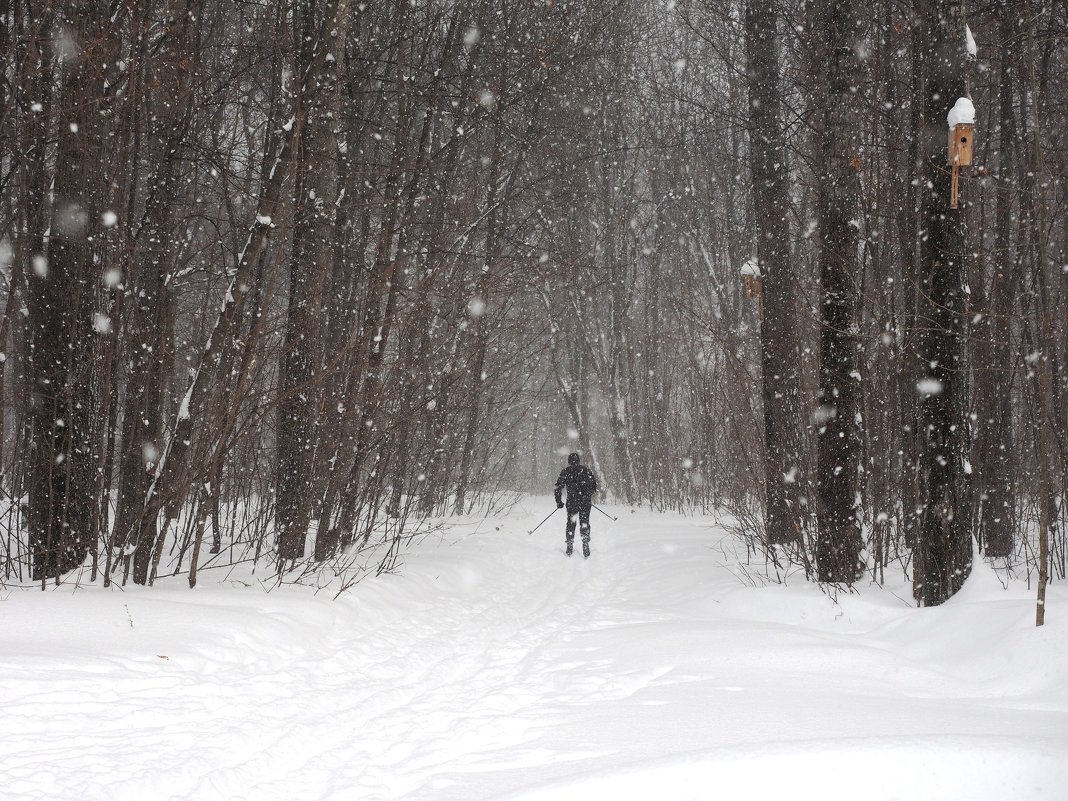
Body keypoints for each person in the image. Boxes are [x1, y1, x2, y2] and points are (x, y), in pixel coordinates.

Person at [554, 452, 597, 558]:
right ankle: (585, 542)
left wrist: (559, 501)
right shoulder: (586, 470)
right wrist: (587, 495)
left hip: (572, 502)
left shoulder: (566, 472)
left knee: (571, 523)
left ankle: (569, 544)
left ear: (569, 461)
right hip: (585, 503)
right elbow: (594, 487)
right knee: (584, 522)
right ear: (579, 460)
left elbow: (558, 488)